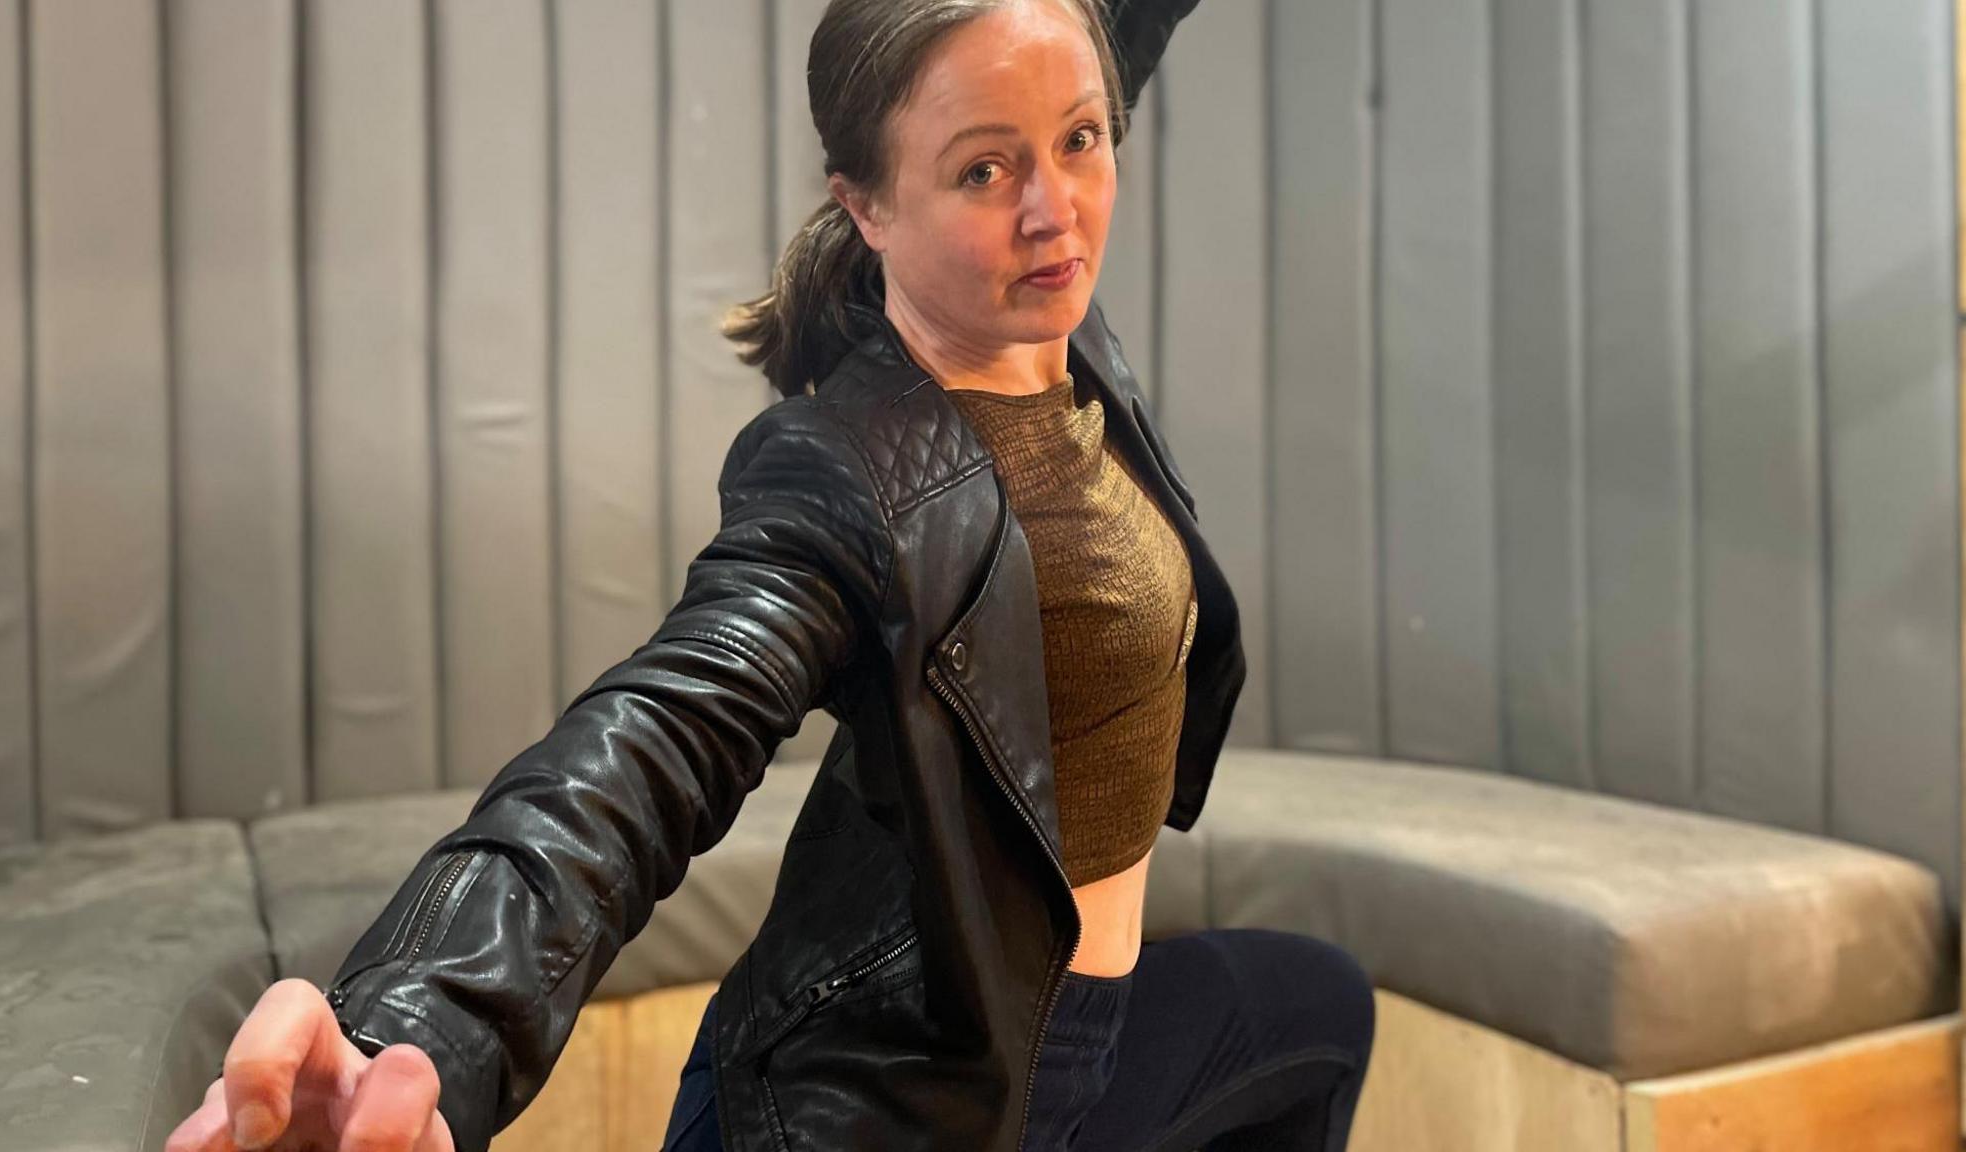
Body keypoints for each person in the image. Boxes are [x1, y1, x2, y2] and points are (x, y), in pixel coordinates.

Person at [164, 2, 1374, 1150]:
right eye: (982, 172)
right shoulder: (844, 473)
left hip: (1076, 1033)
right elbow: (642, 752)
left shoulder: (1036, 317)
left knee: (1312, 1010)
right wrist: (410, 1028)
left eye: (1080, 139)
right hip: (892, 1102)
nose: (1056, 211)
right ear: (868, 207)